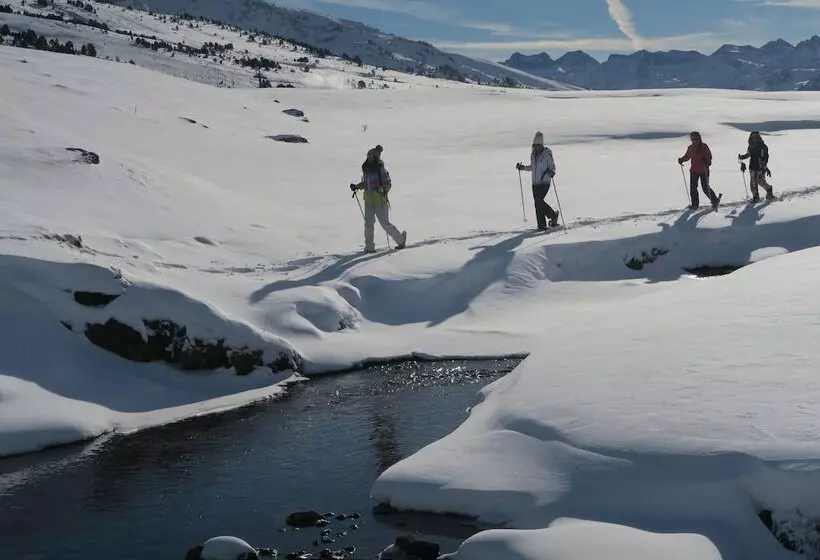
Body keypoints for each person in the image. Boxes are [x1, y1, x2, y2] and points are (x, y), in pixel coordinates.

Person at [350, 145, 407, 253]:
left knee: (385, 224)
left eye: (372, 156)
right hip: (368, 200)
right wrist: (357, 186)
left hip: (380, 200)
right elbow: (366, 184)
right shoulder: (366, 169)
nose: (370, 157)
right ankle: (369, 247)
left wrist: (383, 190)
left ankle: (401, 241)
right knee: (368, 224)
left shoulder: (380, 168)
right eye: (369, 155)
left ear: (375, 157)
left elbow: (388, 183)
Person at [516, 131, 559, 230]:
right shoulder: (533, 155)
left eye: (538, 145)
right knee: (537, 203)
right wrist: (523, 167)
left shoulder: (547, 154)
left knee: (539, 201)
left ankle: (553, 215)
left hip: (545, 181)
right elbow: (533, 167)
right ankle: (541, 225)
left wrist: (552, 172)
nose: (536, 147)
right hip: (535, 183)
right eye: (535, 145)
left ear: (542, 144)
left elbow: (552, 166)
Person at [678, 131, 721, 210]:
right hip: (694, 170)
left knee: (705, 187)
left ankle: (714, 201)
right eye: (692, 138)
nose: (693, 140)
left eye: (695, 138)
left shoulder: (704, 147)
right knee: (693, 188)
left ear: (699, 138)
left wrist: (706, 161)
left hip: (703, 170)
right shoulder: (690, 147)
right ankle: (695, 204)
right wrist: (682, 160)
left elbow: (709, 157)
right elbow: (687, 156)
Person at [738, 131, 775, 202]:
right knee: (753, 183)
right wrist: (742, 157)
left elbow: (765, 158)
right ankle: (757, 196)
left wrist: (764, 167)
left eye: (755, 137)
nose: (754, 139)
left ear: (758, 138)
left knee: (760, 182)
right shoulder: (751, 146)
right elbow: (749, 154)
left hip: (760, 167)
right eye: (752, 137)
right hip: (752, 166)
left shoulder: (763, 147)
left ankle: (767, 191)